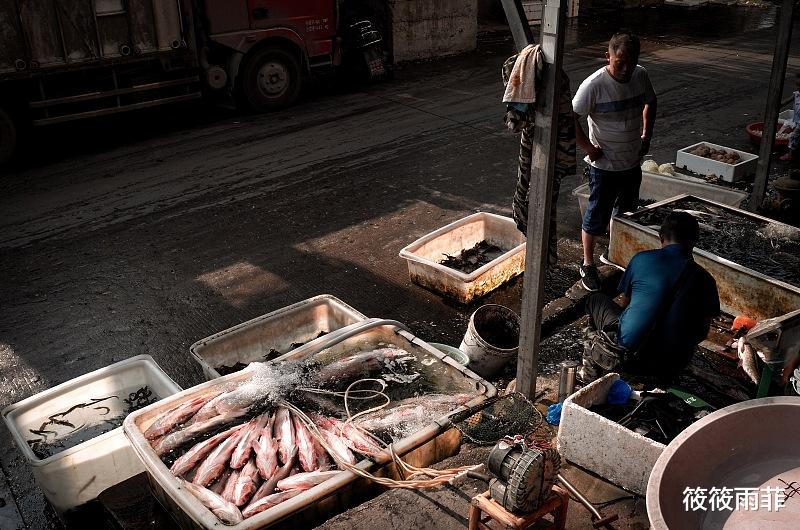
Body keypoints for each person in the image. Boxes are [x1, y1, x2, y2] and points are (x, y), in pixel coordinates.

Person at [582, 211, 720, 381]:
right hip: (672, 366)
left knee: (595, 299)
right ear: (694, 241)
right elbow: (701, 333)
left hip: (628, 356)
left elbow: (625, 306)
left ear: (661, 237)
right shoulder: (706, 279)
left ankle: (593, 365)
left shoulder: (641, 259)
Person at [572, 31, 657, 291]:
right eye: (620, 62)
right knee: (596, 216)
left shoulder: (640, 75)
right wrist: (588, 147)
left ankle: (615, 253)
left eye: (631, 62)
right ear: (607, 56)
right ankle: (587, 264)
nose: (626, 69)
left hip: (632, 163)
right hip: (604, 167)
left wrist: (647, 135)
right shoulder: (593, 85)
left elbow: (651, 102)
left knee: (626, 213)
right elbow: (570, 118)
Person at [778, 72, 800, 162]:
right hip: (796, 119)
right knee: (791, 132)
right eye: (798, 86)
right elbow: (787, 101)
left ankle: (791, 154)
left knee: (793, 136)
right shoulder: (796, 94)